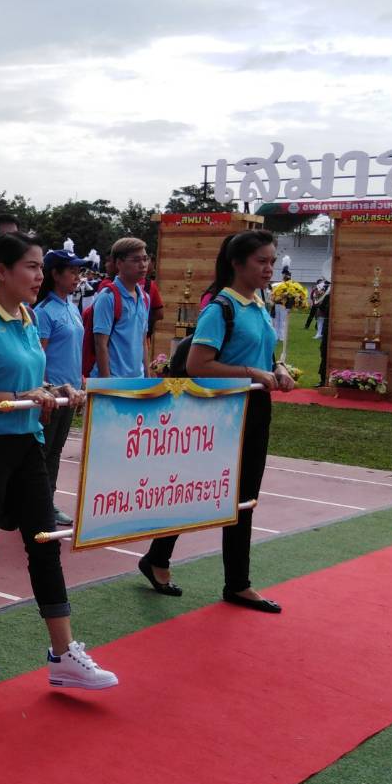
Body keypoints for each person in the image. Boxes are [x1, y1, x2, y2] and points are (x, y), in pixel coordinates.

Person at [0, 231, 117, 689]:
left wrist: (54, 391)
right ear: (1, 271)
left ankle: (63, 654)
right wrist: (17, 396)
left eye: (39, 268)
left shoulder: (26, 316)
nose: (39, 276)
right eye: (31, 267)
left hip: (25, 442)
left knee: (44, 542)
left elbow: (30, 383)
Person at [135, 229, 296, 611]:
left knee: (244, 498)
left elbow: (261, 354)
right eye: (261, 261)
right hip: (221, 414)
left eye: (272, 261)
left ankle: (236, 583)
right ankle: (160, 559)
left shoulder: (258, 304)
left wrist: (277, 367)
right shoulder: (220, 308)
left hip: (255, 409)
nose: (269, 268)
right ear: (237, 263)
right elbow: (198, 364)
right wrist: (252, 373)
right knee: (199, 490)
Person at [33, 248, 85, 526]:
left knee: (55, 452)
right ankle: (37, 505)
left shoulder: (72, 308)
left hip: (71, 393)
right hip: (52, 394)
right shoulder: (44, 312)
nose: (77, 277)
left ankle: (46, 503)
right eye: (72, 271)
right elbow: (38, 355)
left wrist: (79, 381)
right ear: (55, 274)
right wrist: (46, 390)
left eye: (79, 271)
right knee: (43, 452)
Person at [89, 237, 151, 378]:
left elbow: (143, 342)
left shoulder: (144, 297)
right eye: (136, 260)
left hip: (138, 381)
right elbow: (100, 345)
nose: (143, 265)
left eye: (145, 259)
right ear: (119, 263)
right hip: (115, 381)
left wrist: (147, 379)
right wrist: (108, 385)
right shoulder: (107, 297)